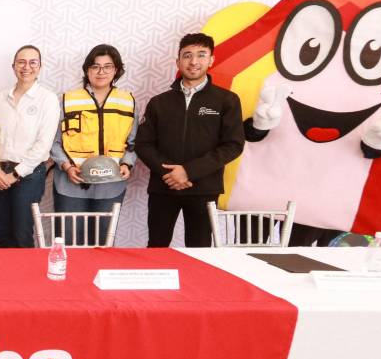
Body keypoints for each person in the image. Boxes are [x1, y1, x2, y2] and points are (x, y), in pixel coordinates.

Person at [135, 33, 245, 247]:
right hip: (163, 187)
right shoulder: (159, 102)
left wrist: (188, 171)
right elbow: (143, 144)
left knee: (199, 249)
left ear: (211, 59)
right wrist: (170, 173)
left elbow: (233, 145)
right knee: (156, 246)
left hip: (204, 188)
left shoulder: (226, 100)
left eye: (201, 55)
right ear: (178, 61)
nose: (194, 61)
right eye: (187, 56)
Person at [50, 44, 138, 245]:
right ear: (87, 70)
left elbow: (133, 143)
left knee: (103, 245)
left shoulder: (128, 101)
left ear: (116, 70)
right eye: (95, 66)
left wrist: (127, 164)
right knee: (68, 242)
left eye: (107, 66)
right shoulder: (67, 100)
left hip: (111, 185)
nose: (101, 72)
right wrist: (67, 166)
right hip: (71, 183)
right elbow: (54, 142)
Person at [0, 45, 61, 248]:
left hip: (28, 175)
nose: (26, 67)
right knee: (3, 234)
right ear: (13, 66)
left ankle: (22, 279)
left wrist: (16, 174)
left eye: (32, 62)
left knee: (22, 235)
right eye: (21, 62)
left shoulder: (48, 99)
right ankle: (4, 279)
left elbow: (43, 145)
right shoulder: (0, 97)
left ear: (40, 67)